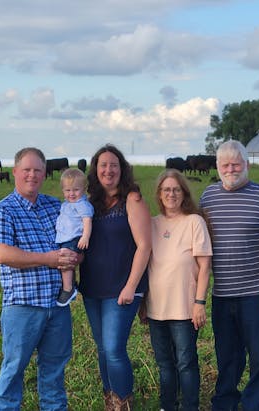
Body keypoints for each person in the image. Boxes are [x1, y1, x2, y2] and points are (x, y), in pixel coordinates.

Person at [0, 147, 80, 411]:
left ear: (44, 173)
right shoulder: (2, 211)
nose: (32, 175)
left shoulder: (55, 206)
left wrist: (75, 256)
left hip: (57, 307)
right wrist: (48, 259)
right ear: (15, 172)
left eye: (37, 170)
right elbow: (2, 254)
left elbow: (75, 238)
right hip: (23, 306)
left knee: (54, 369)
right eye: (26, 169)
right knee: (14, 368)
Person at [199, 140, 259, 411]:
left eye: (236, 163)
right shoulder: (208, 197)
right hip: (223, 294)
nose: (231, 169)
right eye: (225, 164)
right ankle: (225, 402)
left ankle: (254, 404)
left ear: (246, 164)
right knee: (228, 355)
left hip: (257, 294)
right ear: (217, 167)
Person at [78, 144, 152, 410]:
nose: (108, 170)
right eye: (103, 165)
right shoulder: (88, 203)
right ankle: (110, 401)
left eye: (114, 165)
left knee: (113, 349)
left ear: (122, 169)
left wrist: (131, 286)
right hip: (93, 287)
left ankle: (123, 404)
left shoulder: (131, 199)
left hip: (123, 288)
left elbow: (145, 246)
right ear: (95, 170)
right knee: (102, 350)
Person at [139, 169, 212, 411]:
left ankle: (190, 407)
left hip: (185, 308)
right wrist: (142, 304)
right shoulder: (151, 224)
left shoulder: (194, 222)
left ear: (184, 193)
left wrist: (199, 303)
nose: (171, 194)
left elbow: (204, 267)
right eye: (166, 189)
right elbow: (143, 265)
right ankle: (167, 406)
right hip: (156, 308)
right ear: (159, 195)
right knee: (164, 364)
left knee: (186, 363)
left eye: (176, 189)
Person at [54, 167, 94, 306]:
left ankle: (68, 289)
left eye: (76, 190)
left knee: (65, 262)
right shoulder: (66, 204)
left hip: (75, 238)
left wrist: (85, 237)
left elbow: (87, 221)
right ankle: (71, 283)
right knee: (64, 263)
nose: (71, 193)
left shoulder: (82, 204)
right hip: (65, 238)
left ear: (83, 189)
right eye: (67, 190)